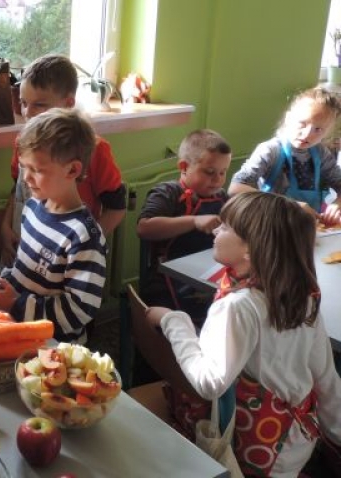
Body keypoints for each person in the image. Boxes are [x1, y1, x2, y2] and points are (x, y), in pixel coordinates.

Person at [147, 192, 341, 477]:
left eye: (225, 227)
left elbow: (209, 383)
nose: (216, 231)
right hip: (296, 439)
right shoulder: (301, 294)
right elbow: (325, 376)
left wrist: (174, 321)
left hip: (255, 448)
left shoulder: (238, 306)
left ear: (250, 249)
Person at [0, 107, 108, 343]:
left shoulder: (83, 237)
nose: (26, 177)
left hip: (53, 347)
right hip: (18, 328)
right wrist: (3, 283)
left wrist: (14, 303)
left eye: (36, 170)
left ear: (72, 169)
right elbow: (23, 270)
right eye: (25, 167)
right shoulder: (32, 207)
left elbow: (79, 311)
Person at [0, 54, 126, 268]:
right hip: (23, 247)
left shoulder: (95, 150)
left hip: (64, 259)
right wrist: (5, 227)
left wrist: (84, 247)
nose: (27, 113)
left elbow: (117, 207)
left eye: (39, 105)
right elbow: (18, 190)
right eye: (23, 103)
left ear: (68, 103)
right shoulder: (24, 141)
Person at [136, 129, 232, 319]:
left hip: (206, 273)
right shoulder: (167, 193)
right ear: (184, 166)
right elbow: (144, 228)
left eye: (223, 172)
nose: (218, 179)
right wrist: (194, 221)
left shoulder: (221, 196)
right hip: (165, 278)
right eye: (210, 172)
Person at [229, 86, 341, 225]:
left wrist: (337, 205)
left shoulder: (321, 153)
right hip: (271, 226)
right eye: (302, 124)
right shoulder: (271, 150)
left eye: (318, 129)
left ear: (327, 132)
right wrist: (293, 205)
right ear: (288, 118)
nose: (307, 134)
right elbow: (236, 188)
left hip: (306, 228)